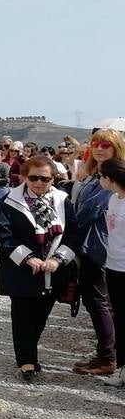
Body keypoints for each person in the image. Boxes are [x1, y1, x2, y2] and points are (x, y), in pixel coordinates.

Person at [0, 155, 78, 383]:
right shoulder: (9, 201)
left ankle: (27, 352)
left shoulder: (63, 200)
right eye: (33, 178)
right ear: (24, 177)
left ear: (53, 178)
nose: (39, 183)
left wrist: (59, 259)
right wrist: (28, 258)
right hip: (22, 270)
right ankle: (27, 361)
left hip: (53, 271)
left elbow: (73, 234)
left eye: (45, 178)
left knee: (40, 316)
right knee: (22, 315)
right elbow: (5, 236)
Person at [68, 132, 125, 376]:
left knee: (100, 302)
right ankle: (105, 353)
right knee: (94, 301)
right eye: (96, 144)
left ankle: (108, 357)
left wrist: (65, 226)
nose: (100, 149)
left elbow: (88, 210)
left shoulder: (112, 179)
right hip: (89, 245)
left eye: (106, 145)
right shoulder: (93, 175)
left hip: (100, 248)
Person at [94, 158, 125, 387]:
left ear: (111, 178)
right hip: (113, 265)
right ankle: (122, 368)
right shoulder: (114, 199)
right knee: (119, 319)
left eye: (101, 176)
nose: (99, 179)